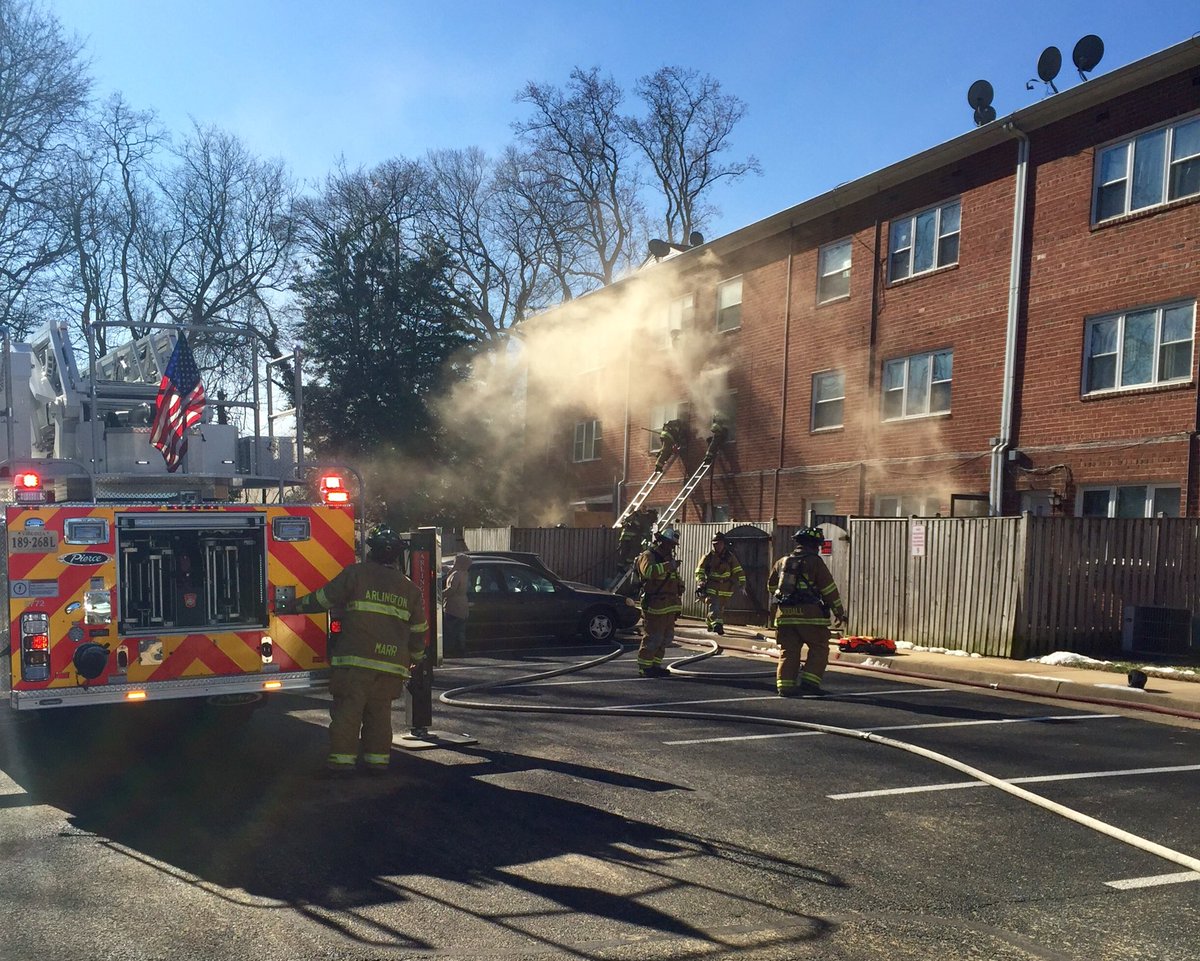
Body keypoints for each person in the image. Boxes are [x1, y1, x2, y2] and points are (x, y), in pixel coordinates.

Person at [278, 524, 428, 776]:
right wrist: (415, 659)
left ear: (372, 551)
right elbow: (419, 630)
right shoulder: (409, 588)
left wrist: (292, 606)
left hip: (356, 662)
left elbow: (323, 599)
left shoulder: (356, 575)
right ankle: (377, 763)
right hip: (390, 666)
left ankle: (342, 763)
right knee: (379, 716)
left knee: (348, 713)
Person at [767, 526, 847, 697]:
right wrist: (839, 612)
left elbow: (771, 587)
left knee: (788, 652)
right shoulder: (815, 562)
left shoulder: (781, 562)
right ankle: (810, 683)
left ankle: (785, 687)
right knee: (819, 648)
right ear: (814, 545)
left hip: (784, 616)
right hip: (810, 616)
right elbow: (829, 589)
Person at [634, 526, 684, 677]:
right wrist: (669, 566)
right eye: (669, 544)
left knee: (665, 638)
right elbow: (648, 572)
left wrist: (680, 585)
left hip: (669, 605)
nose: (671, 548)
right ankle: (645, 667)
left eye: (673, 545)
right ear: (661, 542)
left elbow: (672, 578)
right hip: (655, 605)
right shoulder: (648, 556)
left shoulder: (668, 559)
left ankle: (655, 665)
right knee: (653, 637)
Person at [695, 531, 746, 635]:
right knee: (715, 605)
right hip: (712, 585)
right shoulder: (708, 557)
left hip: (726, 587)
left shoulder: (730, 557)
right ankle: (718, 626)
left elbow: (738, 570)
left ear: (723, 544)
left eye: (718, 544)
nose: (716, 546)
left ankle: (710, 621)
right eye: (714, 544)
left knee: (720, 607)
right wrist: (701, 581)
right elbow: (699, 570)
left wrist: (742, 583)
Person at [442, 553, 472, 658]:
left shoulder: (456, 574)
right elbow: (449, 569)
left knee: (450, 631)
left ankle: (449, 651)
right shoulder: (465, 573)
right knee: (460, 631)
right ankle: (461, 650)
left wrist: (439, 594)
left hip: (453, 607)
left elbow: (452, 589)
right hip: (463, 606)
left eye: (455, 561)